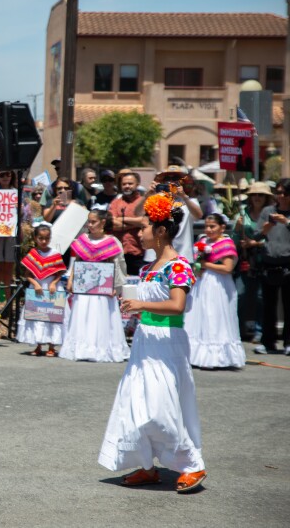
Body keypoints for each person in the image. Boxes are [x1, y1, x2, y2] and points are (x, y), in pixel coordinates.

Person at [100, 194, 207, 494]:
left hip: (167, 343)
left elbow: (177, 306)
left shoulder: (179, 266)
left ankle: (192, 464)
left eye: (145, 226)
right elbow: (146, 303)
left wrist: (141, 304)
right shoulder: (148, 268)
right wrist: (128, 304)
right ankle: (147, 467)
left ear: (160, 232)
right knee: (134, 403)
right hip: (145, 341)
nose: (139, 232)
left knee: (162, 406)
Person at [61, 210, 129, 363]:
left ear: (103, 222)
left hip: (103, 287)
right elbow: (77, 262)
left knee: (100, 315)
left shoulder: (112, 242)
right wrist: (71, 279)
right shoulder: (83, 239)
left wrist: (116, 287)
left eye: (93, 222)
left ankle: (101, 348)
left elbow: (118, 265)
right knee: (83, 314)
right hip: (84, 286)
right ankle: (81, 348)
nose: (90, 225)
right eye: (89, 222)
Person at [185, 214, 244, 369]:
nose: (208, 230)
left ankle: (218, 357)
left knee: (215, 316)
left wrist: (205, 264)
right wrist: (198, 267)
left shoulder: (226, 243)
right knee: (201, 314)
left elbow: (227, 268)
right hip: (202, 283)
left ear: (222, 227)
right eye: (206, 226)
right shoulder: (203, 241)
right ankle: (197, 354)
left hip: (219, 284)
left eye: (213, 226)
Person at [252, 177, 290, 355]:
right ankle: (268, 342)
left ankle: (288, 342)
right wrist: (266, 228)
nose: (281, 196)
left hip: (288, 264)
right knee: (268, 306)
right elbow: (257, 236)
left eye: (285, 193)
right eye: (279, 192)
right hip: (269, 263)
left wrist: (287, 222)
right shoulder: (268, 211)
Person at [17, 223, 66, 357]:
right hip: (37, 289)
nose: (44, 241)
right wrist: (35, 283)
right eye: (41, 238)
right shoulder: (32, 254)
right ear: (35, 238)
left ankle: (52, 346)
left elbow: (60, 272)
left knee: (52, 316)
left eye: (47, 238)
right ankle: (38, 345)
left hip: (51, 289)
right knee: (37, 316)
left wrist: (54, 283)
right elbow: (27, 275)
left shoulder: (55, 253)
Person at [233, 181, 271, 343]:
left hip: (264, 260)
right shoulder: (242, 215)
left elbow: (275, 238)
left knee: (261, 297)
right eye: (254, 194)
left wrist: (255, 243)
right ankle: (236, 329)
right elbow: (234, 241)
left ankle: (259, 330)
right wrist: (237, 230)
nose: (257, 197)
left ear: (266, 198)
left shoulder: (271, 215)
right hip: (245, 260)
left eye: (260, 195)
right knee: (239, 294)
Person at [109, 170, 147, 275]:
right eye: (124, 184)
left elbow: (145, 221)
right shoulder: (116, 202)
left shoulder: (143, 202)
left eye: (130, 183)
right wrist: (135, 223)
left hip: (139, 253)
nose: (127, 186)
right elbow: (111, 223)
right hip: (118, 251)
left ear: (137, 184)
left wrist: (122, 219)